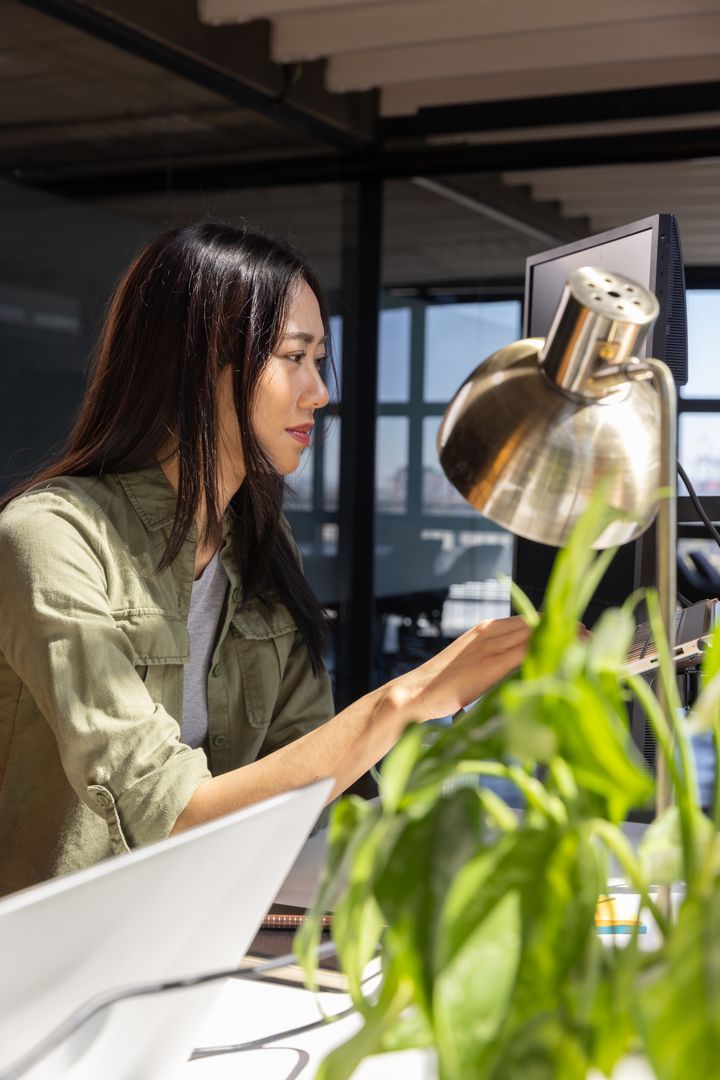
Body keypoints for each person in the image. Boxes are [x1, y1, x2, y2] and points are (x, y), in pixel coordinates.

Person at [0, 222, 529, 898]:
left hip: (206, 922)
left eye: (320, 359)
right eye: (293, 356)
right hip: (54, 962)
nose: (319, 392)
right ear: (197, 365)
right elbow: (173, 813)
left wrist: (471, 726)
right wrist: (405, 700)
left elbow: (309, 780)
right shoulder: (52, 540)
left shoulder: (262, 546)